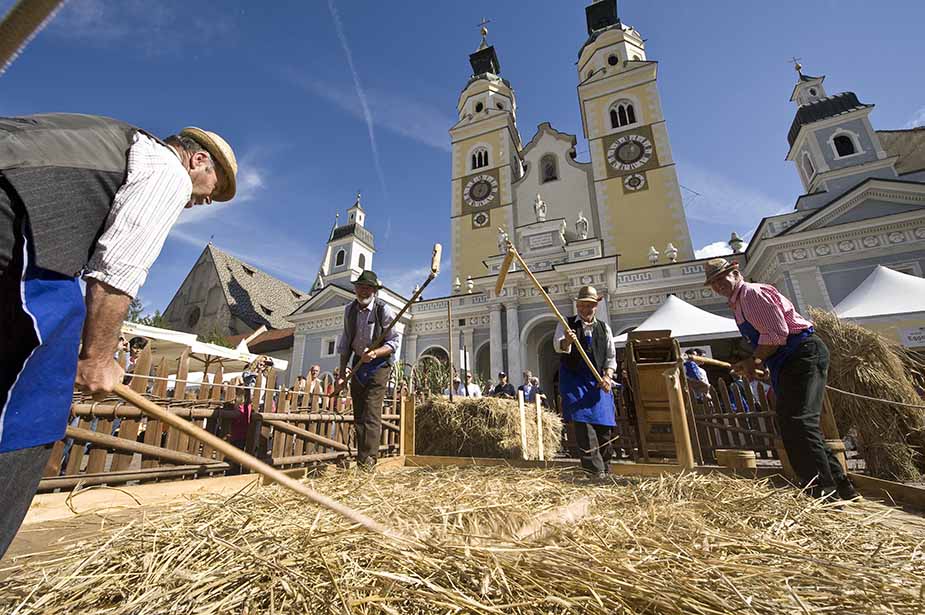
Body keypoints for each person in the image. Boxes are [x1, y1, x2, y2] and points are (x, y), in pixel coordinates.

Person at [0, 113, 237, 559]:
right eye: (204, 195)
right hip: (16, 215)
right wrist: (96, 357)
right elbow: (117, 274)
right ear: (198, 160)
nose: (195, 205)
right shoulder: (166, 170)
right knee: (41, 383)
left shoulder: (111, 141)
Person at [704, 258, 856, 500]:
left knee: (798, 421)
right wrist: (759, 365)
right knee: (794, 422)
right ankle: (842, 487)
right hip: (788, 359)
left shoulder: (751, 294)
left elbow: (776, 333)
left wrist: (754, 360)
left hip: (802, 353)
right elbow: (770, 340)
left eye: (721, 278)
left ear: (735, 272)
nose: (718, 285)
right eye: (713, 283)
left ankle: (823, 491)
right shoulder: (739, 304)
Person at [332, 270, 401, 469]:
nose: (363, 291)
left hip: (379, 364)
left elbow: (394, 342)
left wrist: (376, 353)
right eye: (360, 287)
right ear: (355, 289)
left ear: (374, 290)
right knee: (359, 412)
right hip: (357, 363)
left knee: (371, 411)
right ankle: (361, 457)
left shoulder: (382, 310)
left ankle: (368, 460)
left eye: (367, 288)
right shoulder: (349, 310)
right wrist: (342, 372)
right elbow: (346, 341)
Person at [554, 285, 617, 479]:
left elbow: (610, 356)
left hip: (598, 382)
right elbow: (558, 347)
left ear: (595, 306)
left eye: (588, 306)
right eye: (581, 305)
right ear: (577, 306)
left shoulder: (604, 328)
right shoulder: (566, 323)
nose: (584, 309)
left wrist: (607, 376)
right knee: (583, 425)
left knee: (604, 427)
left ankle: (606, 469)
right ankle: (593, 472)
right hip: (575, 381)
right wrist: (567, 341)